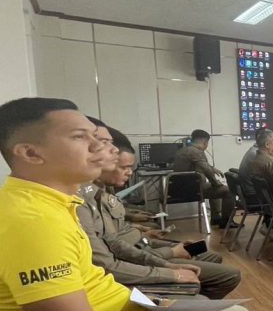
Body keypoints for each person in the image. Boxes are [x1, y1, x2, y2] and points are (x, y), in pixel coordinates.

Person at [0, 97, 273, 311]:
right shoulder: (31, 221)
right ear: (30, 153)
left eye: (99, 138)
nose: (102, 148)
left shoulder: (58, 202)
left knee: (233, 310)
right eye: (80, 137)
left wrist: (158, 303)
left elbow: (114, 247)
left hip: (130, 304)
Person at [81, 127, 242, 299]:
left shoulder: (102, 191)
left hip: (143, 242)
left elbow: (117, 233)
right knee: (228, 273)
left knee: (202, 249)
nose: (111, 150)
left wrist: (142, 230)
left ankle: (194, 295)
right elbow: (113, 257)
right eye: (104, 144)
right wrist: (171, 254)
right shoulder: (83, 201)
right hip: (140, 252)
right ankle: (192, 298)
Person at [172, 129, 234, 224]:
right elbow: (207, 171)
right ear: (205, 142)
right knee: (228, 191)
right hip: (193, 190)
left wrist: (212, 168)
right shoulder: (197, 152)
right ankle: (226, 222)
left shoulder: (181, 151)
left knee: (213, 187)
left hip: (178, 189)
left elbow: (199, 165)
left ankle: (216, 218)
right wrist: (216, 183)